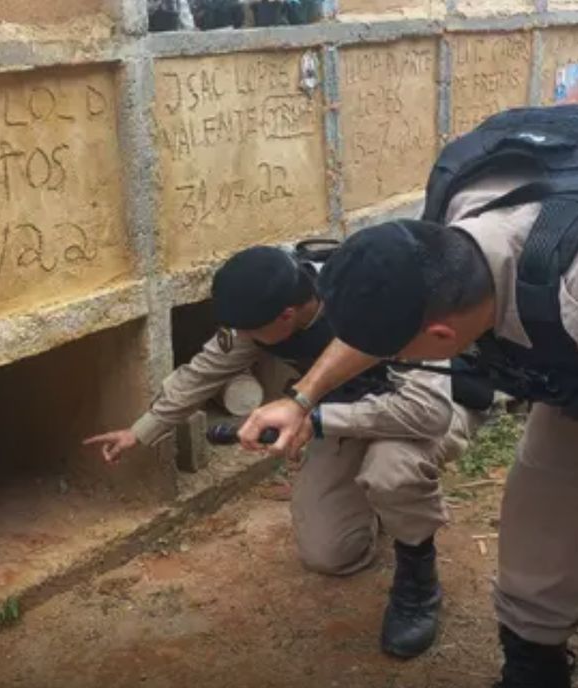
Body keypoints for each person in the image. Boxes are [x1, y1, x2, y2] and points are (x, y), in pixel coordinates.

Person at [236, 105, 578, 687]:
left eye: (401, 353)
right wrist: (304, 397)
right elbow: (395, 315)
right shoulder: (454, 230)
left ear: (441, 339)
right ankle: (533, 667)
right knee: (539, 515)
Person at [84, 243, 491, 659]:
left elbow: (427, 413)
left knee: (391, 470)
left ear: (287, 316)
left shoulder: (377, 300)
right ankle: (383, 506)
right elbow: (204, 371)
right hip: (347, 413)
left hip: (432, 408)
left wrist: (312, 420)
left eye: (250, 331)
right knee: (328, 553)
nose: (242, 339)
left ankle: (417, 581)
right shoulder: (271, 310)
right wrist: (141, 430)